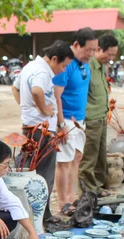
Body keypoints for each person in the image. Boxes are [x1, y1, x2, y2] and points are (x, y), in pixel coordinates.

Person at [12, 40, 74, 221]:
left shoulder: (30, 66)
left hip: (33, 126)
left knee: (31, 168)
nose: (63, 70)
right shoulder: (42, 72)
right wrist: (43, 110)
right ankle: (43, 216)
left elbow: (15, 88)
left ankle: (35, 214)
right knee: (44, 173)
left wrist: (27, 108)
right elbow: (38, 91)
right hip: (42, 130)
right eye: (63, 65)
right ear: (54, 59)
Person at [53, 27, 98, 214]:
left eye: (94, 50)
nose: (92, 54)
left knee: (76, 158)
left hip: (80, 119)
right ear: (76, 45)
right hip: (67, 121)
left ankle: (72, 196)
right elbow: (56, 95)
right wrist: (61, 123)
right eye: (89, 50)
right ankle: (63, 201)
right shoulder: (67, 62)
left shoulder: (84, 63)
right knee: (64, 161)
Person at [79, 34, 119, 197]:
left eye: (113, 55)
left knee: (101, 155)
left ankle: (97, 186)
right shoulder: (87, 67)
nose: (110, 58)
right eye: (108, 54)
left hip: (102, 117)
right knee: (89, 157)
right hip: (91, 119)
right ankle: (87, 191)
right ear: (98, 49)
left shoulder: (102, 66)